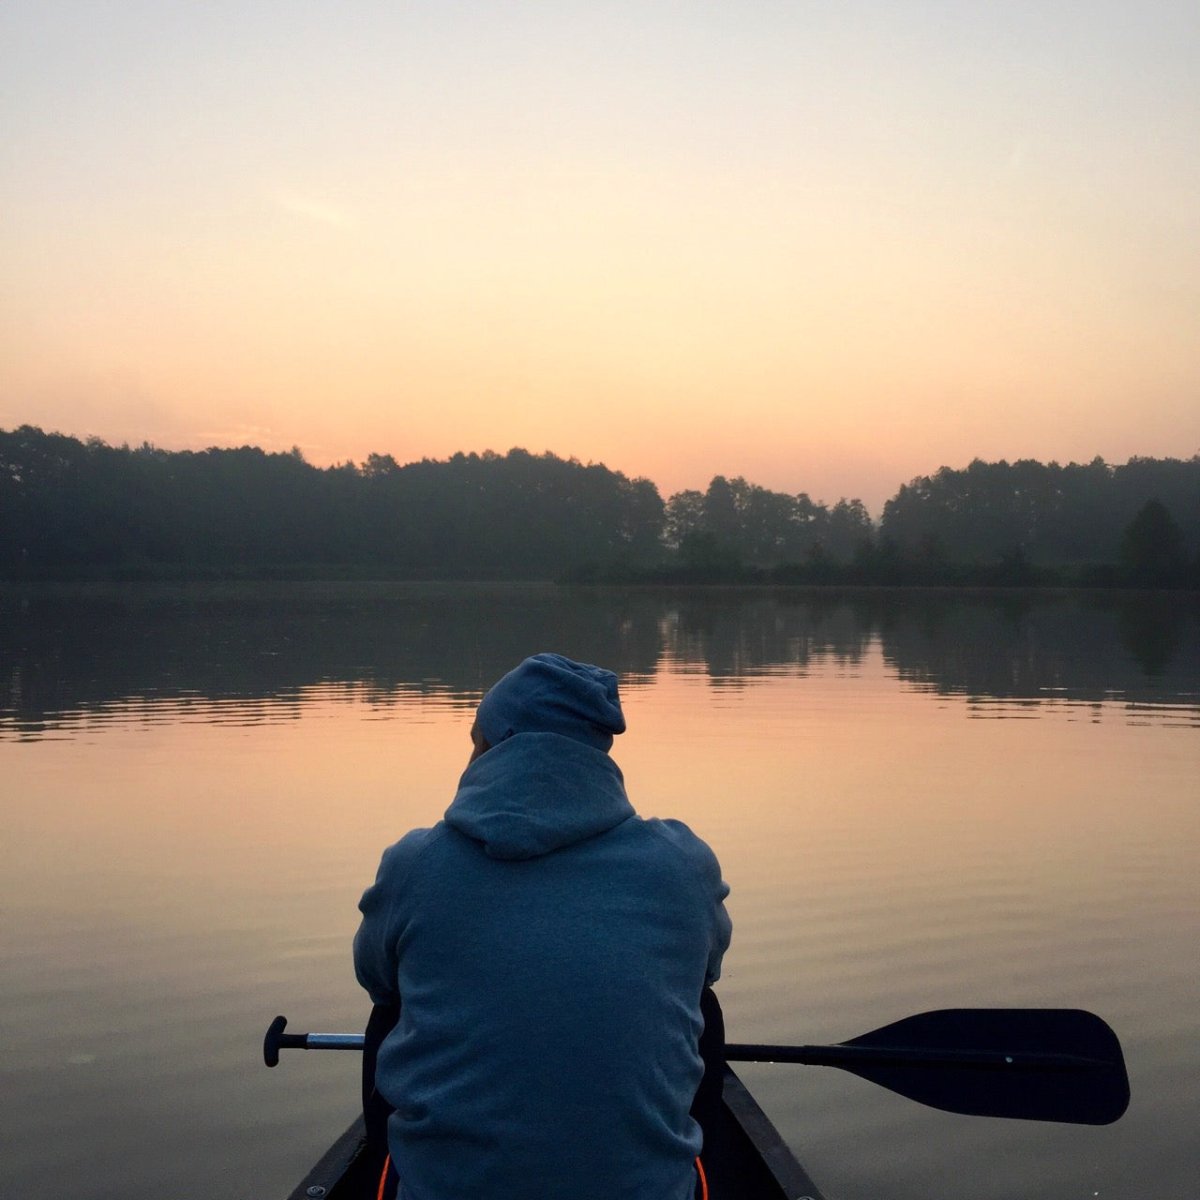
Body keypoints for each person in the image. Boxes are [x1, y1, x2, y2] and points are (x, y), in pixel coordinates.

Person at [354, 652, 733, 1200]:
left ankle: (390, 1165)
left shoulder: (417, 864)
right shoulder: (682, 865)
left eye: (472, 741)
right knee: (701, 999)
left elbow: (376, 979)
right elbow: (710, 966)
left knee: (392, 1005)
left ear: (492, 746)